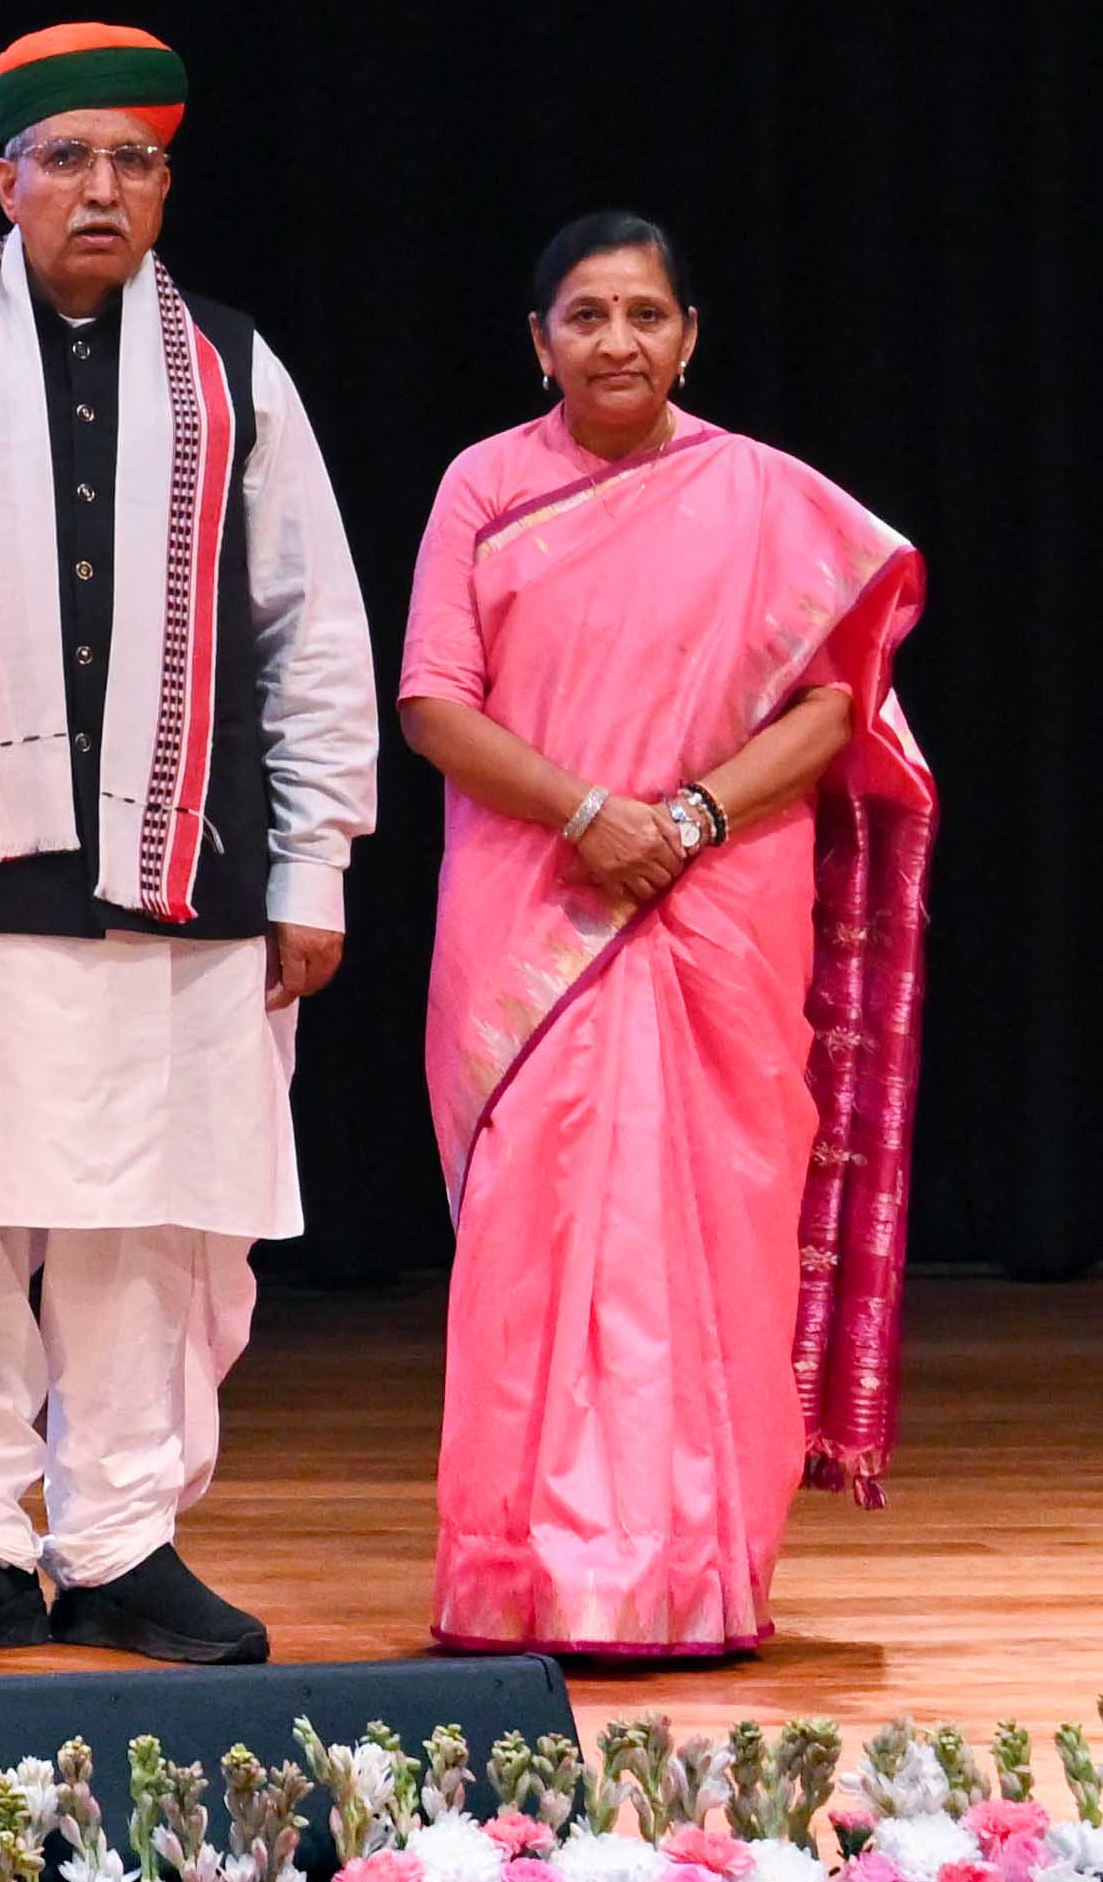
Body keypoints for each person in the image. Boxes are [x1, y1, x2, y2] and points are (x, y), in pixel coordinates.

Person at [0, 26, 376, 1668]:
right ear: (3, 182)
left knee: (149, 1223)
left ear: (165, 187)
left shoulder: (237, 369)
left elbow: (307, 628)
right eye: (64, 159)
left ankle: (119, 1537)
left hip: (176, 883)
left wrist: (312, 863)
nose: (97, 188)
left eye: (131, 162)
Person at [394, 214, 929, 1661]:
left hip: (716, 908)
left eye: (642, 314)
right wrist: (586, 815)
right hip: (531, 911)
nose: (614, 341)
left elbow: (835, 705)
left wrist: (680, 821)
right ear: (538, 341)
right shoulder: (483, 488)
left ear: (688, 334)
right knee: (529, 1241)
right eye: (584, 315)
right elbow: (434, 702)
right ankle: (512, 1581)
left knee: (711, 1237)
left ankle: (697, 1580)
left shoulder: (766, 498)